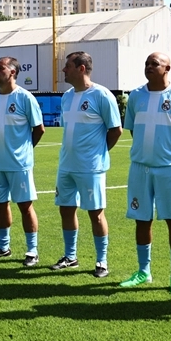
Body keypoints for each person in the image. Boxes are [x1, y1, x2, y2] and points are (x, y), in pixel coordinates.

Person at [119, 53, 171, 296]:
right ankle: (144, 271)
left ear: (167, 68)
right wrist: (147, 152)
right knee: (142, 219)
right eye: (146, 63)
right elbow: (132, 130)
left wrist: (170, 153)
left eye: (155, 64)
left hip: (169, 169)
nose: (149, 67)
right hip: (140, 168)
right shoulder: (136, 96)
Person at [50, 51, 122, 278]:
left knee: (96, 214)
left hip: (91, 167)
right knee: (66, 209)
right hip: (66, 165)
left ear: (81, 68)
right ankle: (70, 257)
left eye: (67, 66)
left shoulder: (102, 95)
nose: (63, 70)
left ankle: (102, 261)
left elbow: (115, 130)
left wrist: (98, 152)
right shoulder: (67, 97)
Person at [0, 57, 45, 266]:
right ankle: (3, 247)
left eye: (0, 68)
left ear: (13, 72)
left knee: (25, 207)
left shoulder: (25, 98)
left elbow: (39, 129)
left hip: (19, 164)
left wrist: (25, 150)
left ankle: (32, 250)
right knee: (0, 205)